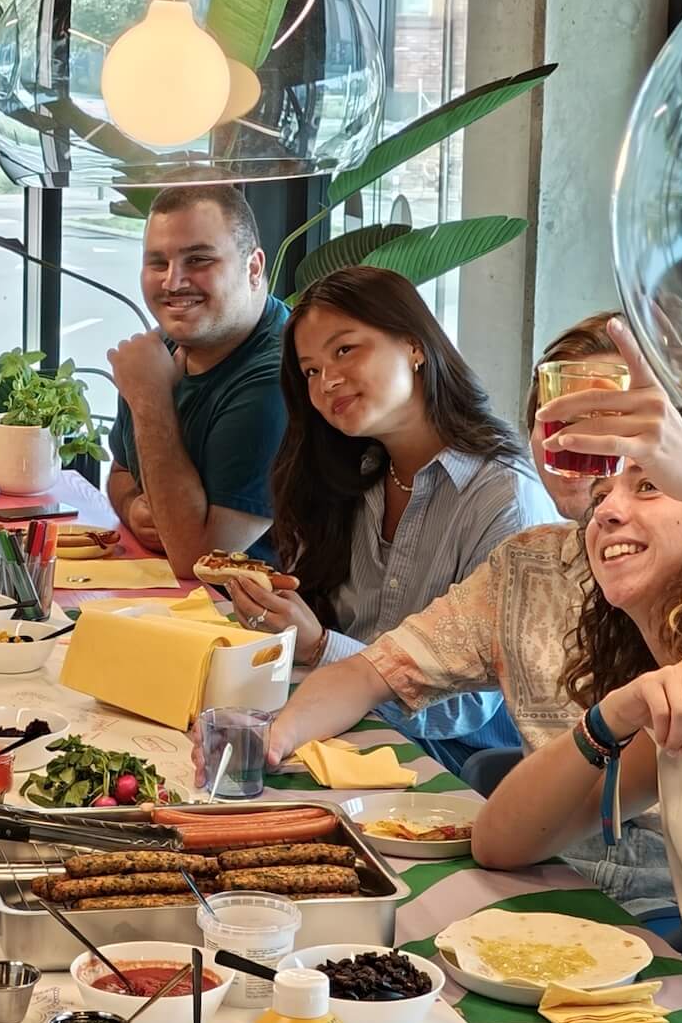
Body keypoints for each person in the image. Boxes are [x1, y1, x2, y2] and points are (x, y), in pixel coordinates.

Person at [263, 316, 676, 910]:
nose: (575, 442)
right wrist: (275, 737)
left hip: (673, 908)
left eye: (611, 422)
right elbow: (368, 672)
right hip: (540, 869)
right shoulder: (529, 566)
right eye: (557, 416)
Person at [469, 387, 682, 1005]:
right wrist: (613, 714)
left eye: (649, 485)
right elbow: (500, 842)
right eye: (601, 496)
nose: (605, 512)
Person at [225, 266, 556, 778]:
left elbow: (471, 708)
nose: (327, 381)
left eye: (344, 350)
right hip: (343, 731)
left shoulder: (504, 498)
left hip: (453, 771)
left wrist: (318, 646)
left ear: (414, 345)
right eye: (310, 370)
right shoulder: (352, 475)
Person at [105, 185, 287, 579]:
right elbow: (120, 474)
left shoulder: (278, 377)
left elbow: (198, 559)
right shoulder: (166, 348)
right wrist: (136, 506)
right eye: (157, 263)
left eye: (198, 259)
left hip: (259, 625)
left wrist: (150, 398)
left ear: (253, 268)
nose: (173, 283)